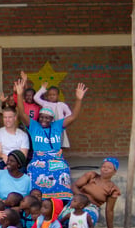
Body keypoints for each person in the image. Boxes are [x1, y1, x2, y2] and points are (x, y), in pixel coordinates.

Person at [15, 73, 88, 201]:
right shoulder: (34, 126)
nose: (44, 120)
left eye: (47, 118)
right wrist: (20, 95)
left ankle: (61, 201)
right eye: (42, 117)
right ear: (39, 118)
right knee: (34, 170)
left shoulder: (57, 126)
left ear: (52, 119)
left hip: (56, 159)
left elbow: (73, 117)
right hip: (39, 159)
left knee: (63, 170)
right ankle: (37, 201)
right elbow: (21, 113)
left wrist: (79, 99)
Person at [59, 157, 121, 228]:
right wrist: (82, 199)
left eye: (109, 168)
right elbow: (75, 186)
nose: (105, 169)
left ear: (114, 172)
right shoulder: (91, 176)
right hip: (77, 202)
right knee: (65, 217)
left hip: (92, 207)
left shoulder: (113, 189)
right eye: (104, 166)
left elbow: (109, 210)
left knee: (85, 219)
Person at [33, 80, 72, 148]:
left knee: (59, 141)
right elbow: (35, 98)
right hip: (47, 126)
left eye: (54, 95)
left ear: (57, 96)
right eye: (49, 95)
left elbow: (69, 113)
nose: (51, 96)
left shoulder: (61, 105)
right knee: (48, 140)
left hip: (58, 126)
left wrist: (63, 121)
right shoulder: (45, 103)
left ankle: (58, 156)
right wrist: (42, 89)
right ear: (47, 96)